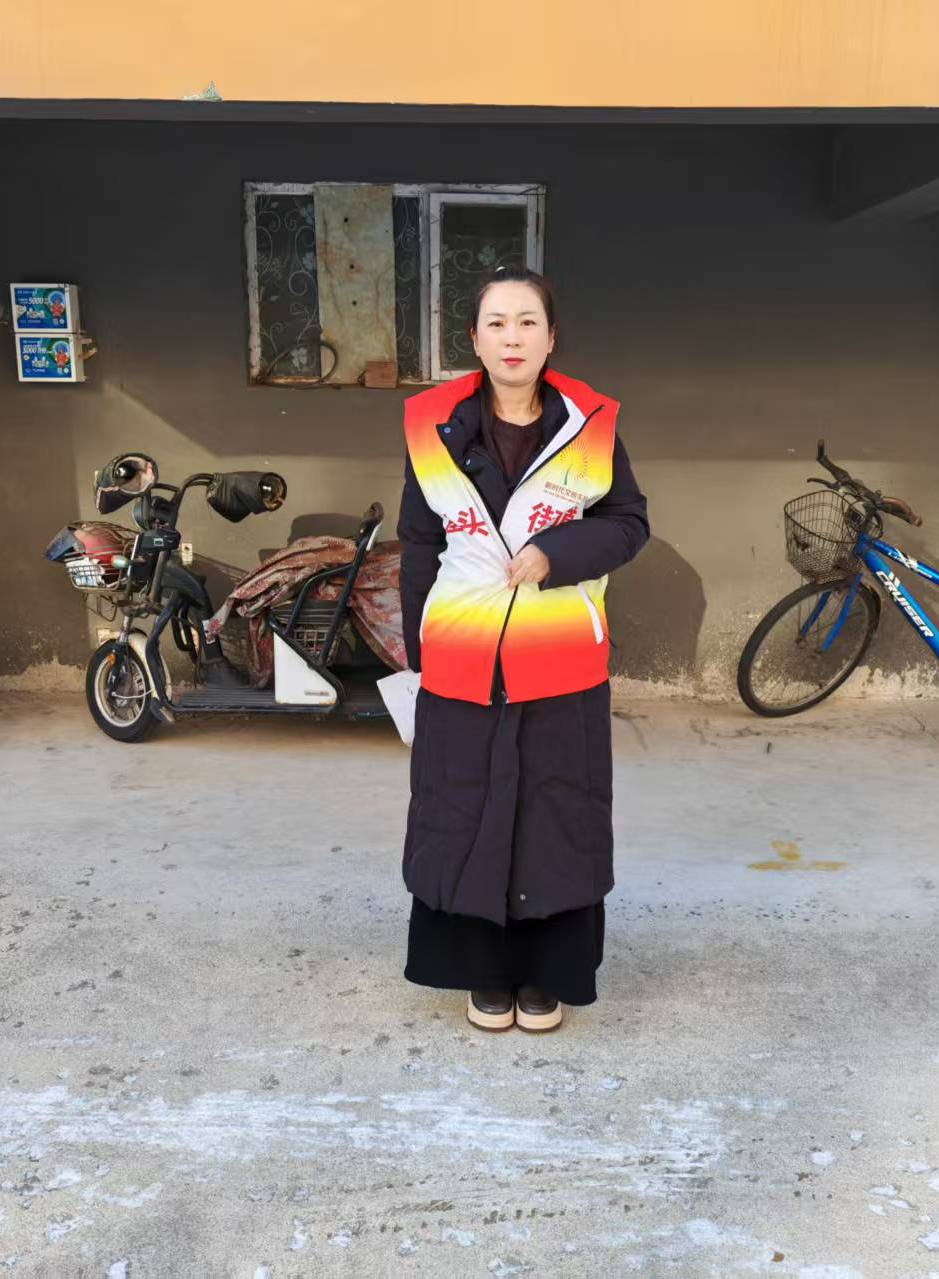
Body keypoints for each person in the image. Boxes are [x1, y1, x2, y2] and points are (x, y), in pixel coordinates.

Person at [396, 265, 650, 1033]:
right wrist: (417, 651)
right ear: (474, 340)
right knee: (463, 808)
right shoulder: (432, 425)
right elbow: (418, 540)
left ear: (550, 337)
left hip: (560, 658)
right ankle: (484, 971)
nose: (513, 337)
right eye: (497, 323)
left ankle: (547, 975)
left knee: (555, 812)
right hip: (463, 655)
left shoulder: (591, 425)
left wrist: (556, 553)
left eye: (528, 322)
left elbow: (629, 522)